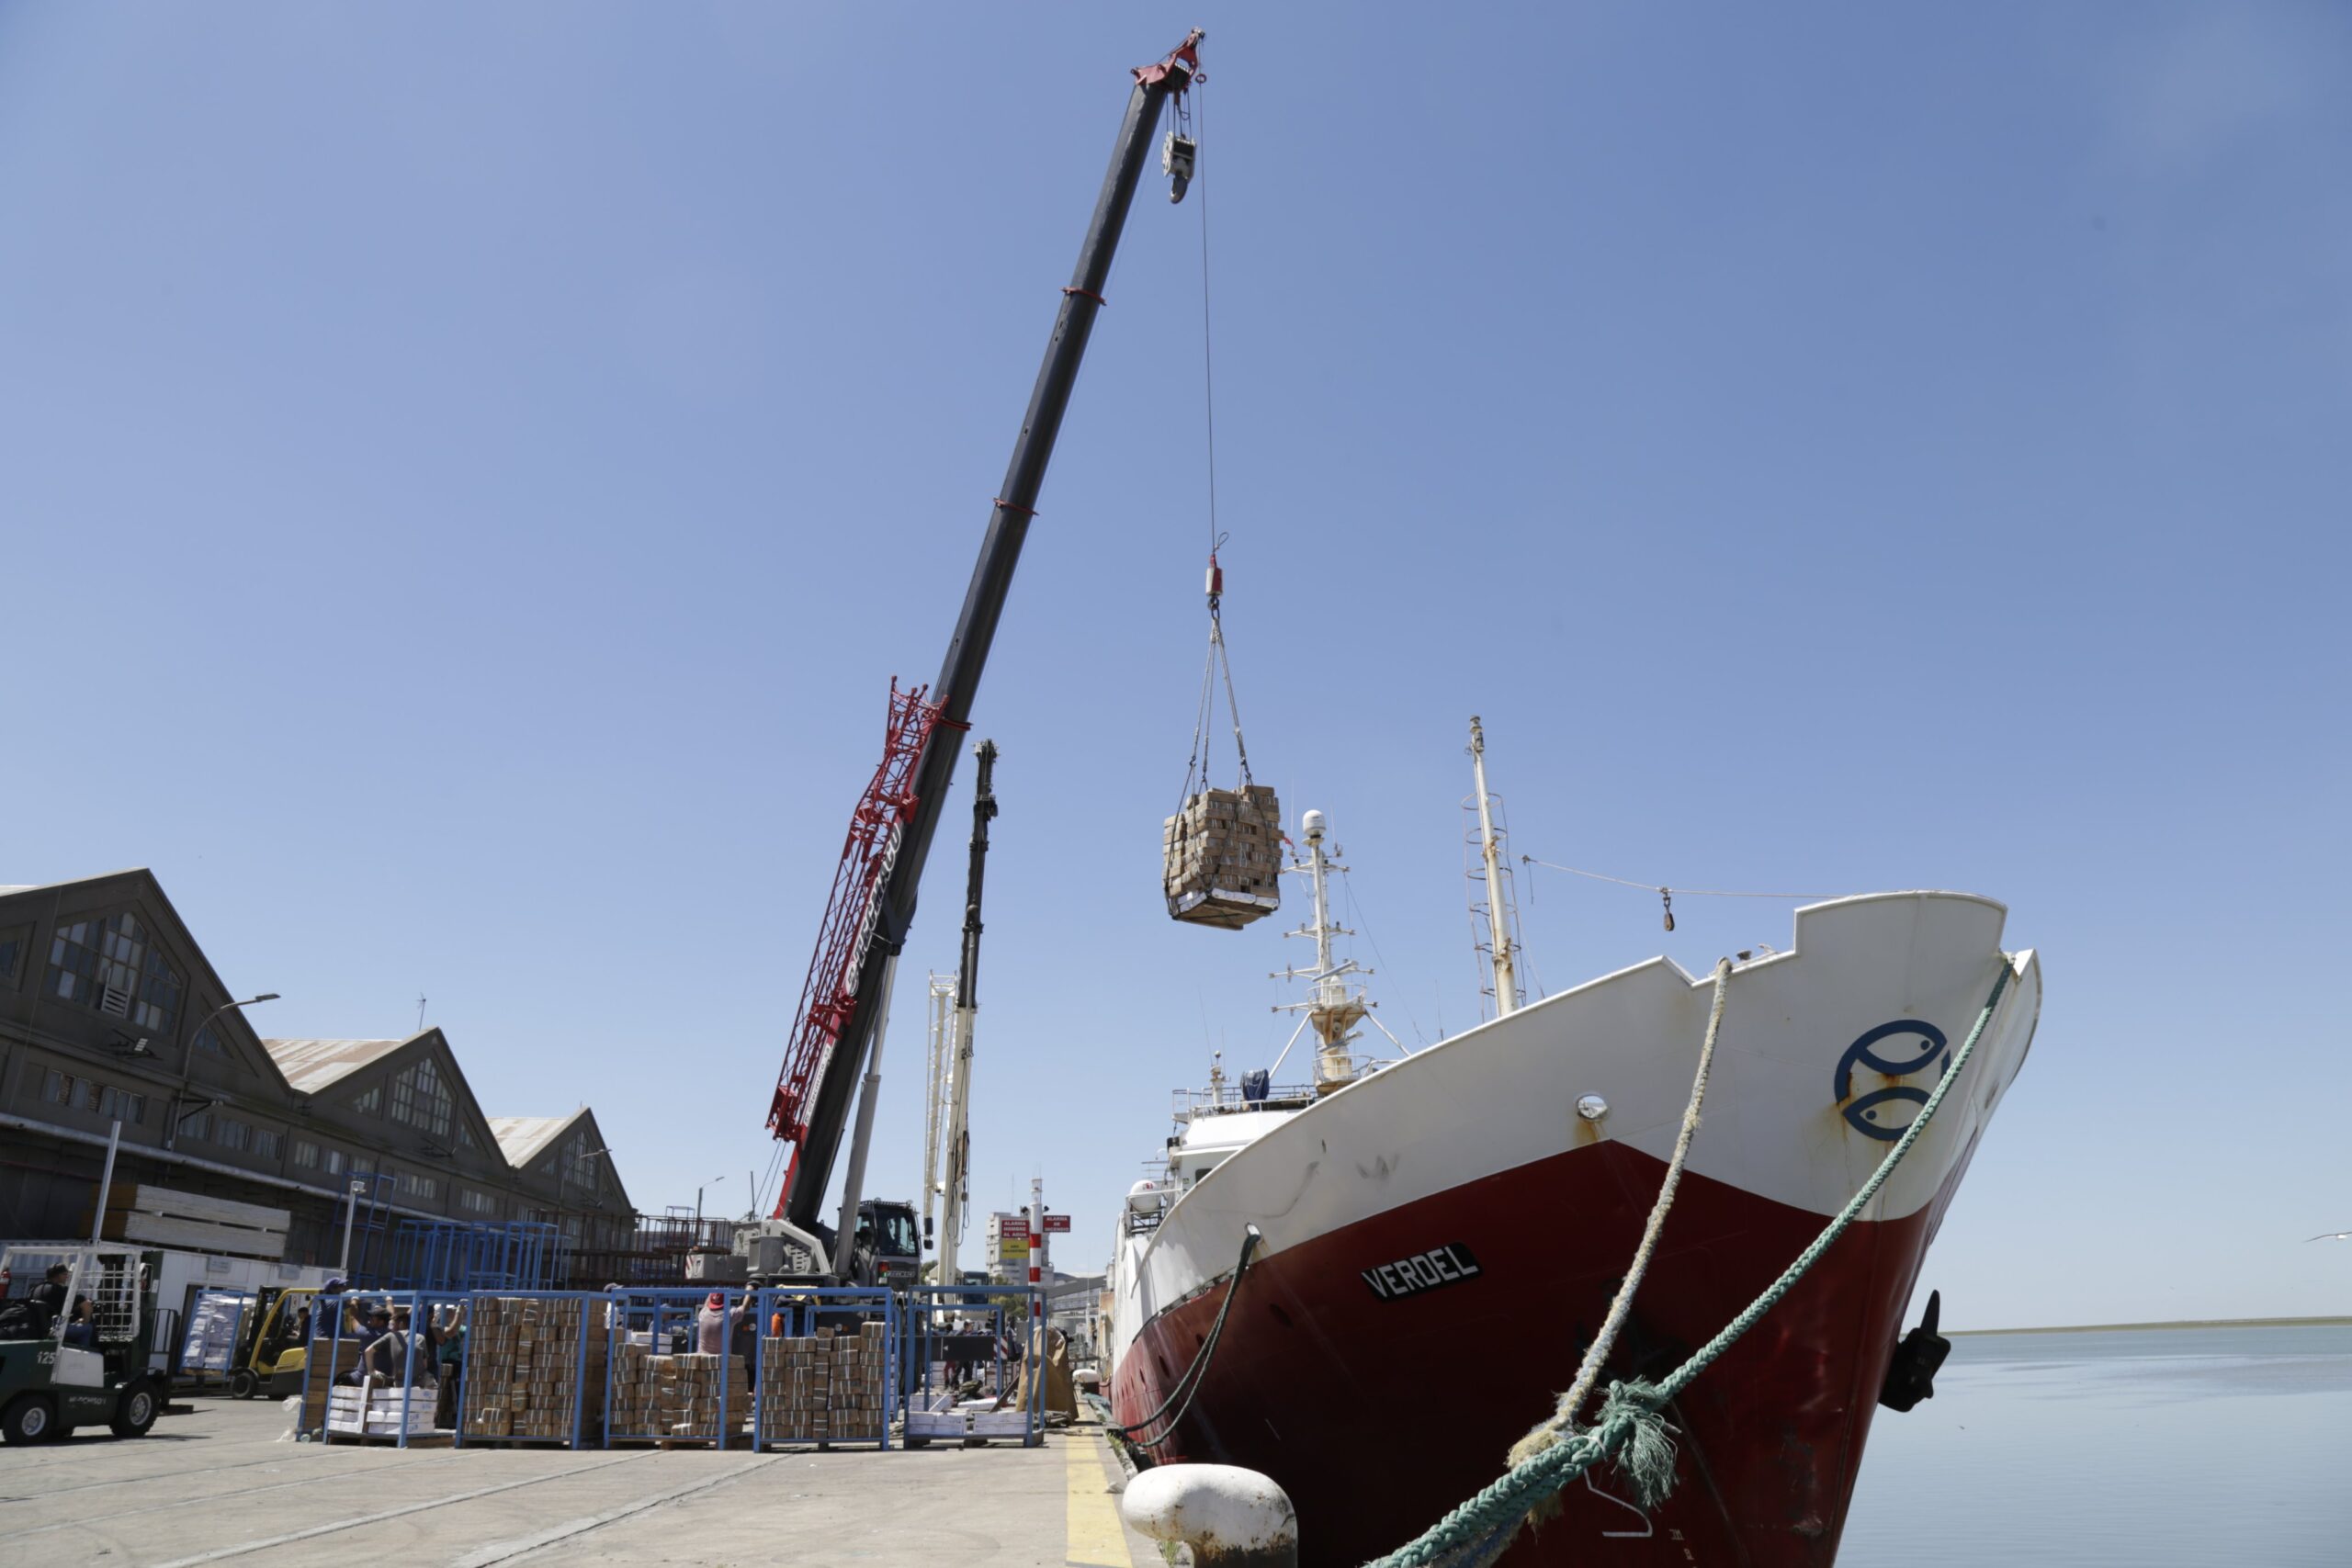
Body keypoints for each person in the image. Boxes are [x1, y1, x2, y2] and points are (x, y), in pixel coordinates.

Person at [434, 1303, 467, 1429]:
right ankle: (446, 1417)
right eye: (449, 1311)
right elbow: (451, 1332)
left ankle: (456, 1417)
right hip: (443, 1362)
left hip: (456, 1363)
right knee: (444, 1390)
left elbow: (465, 1329)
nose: (451, 1313)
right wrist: (460, 1313)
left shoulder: (458, 1326)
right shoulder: (437, 1327)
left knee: (457, 1389)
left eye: (452, 1311)